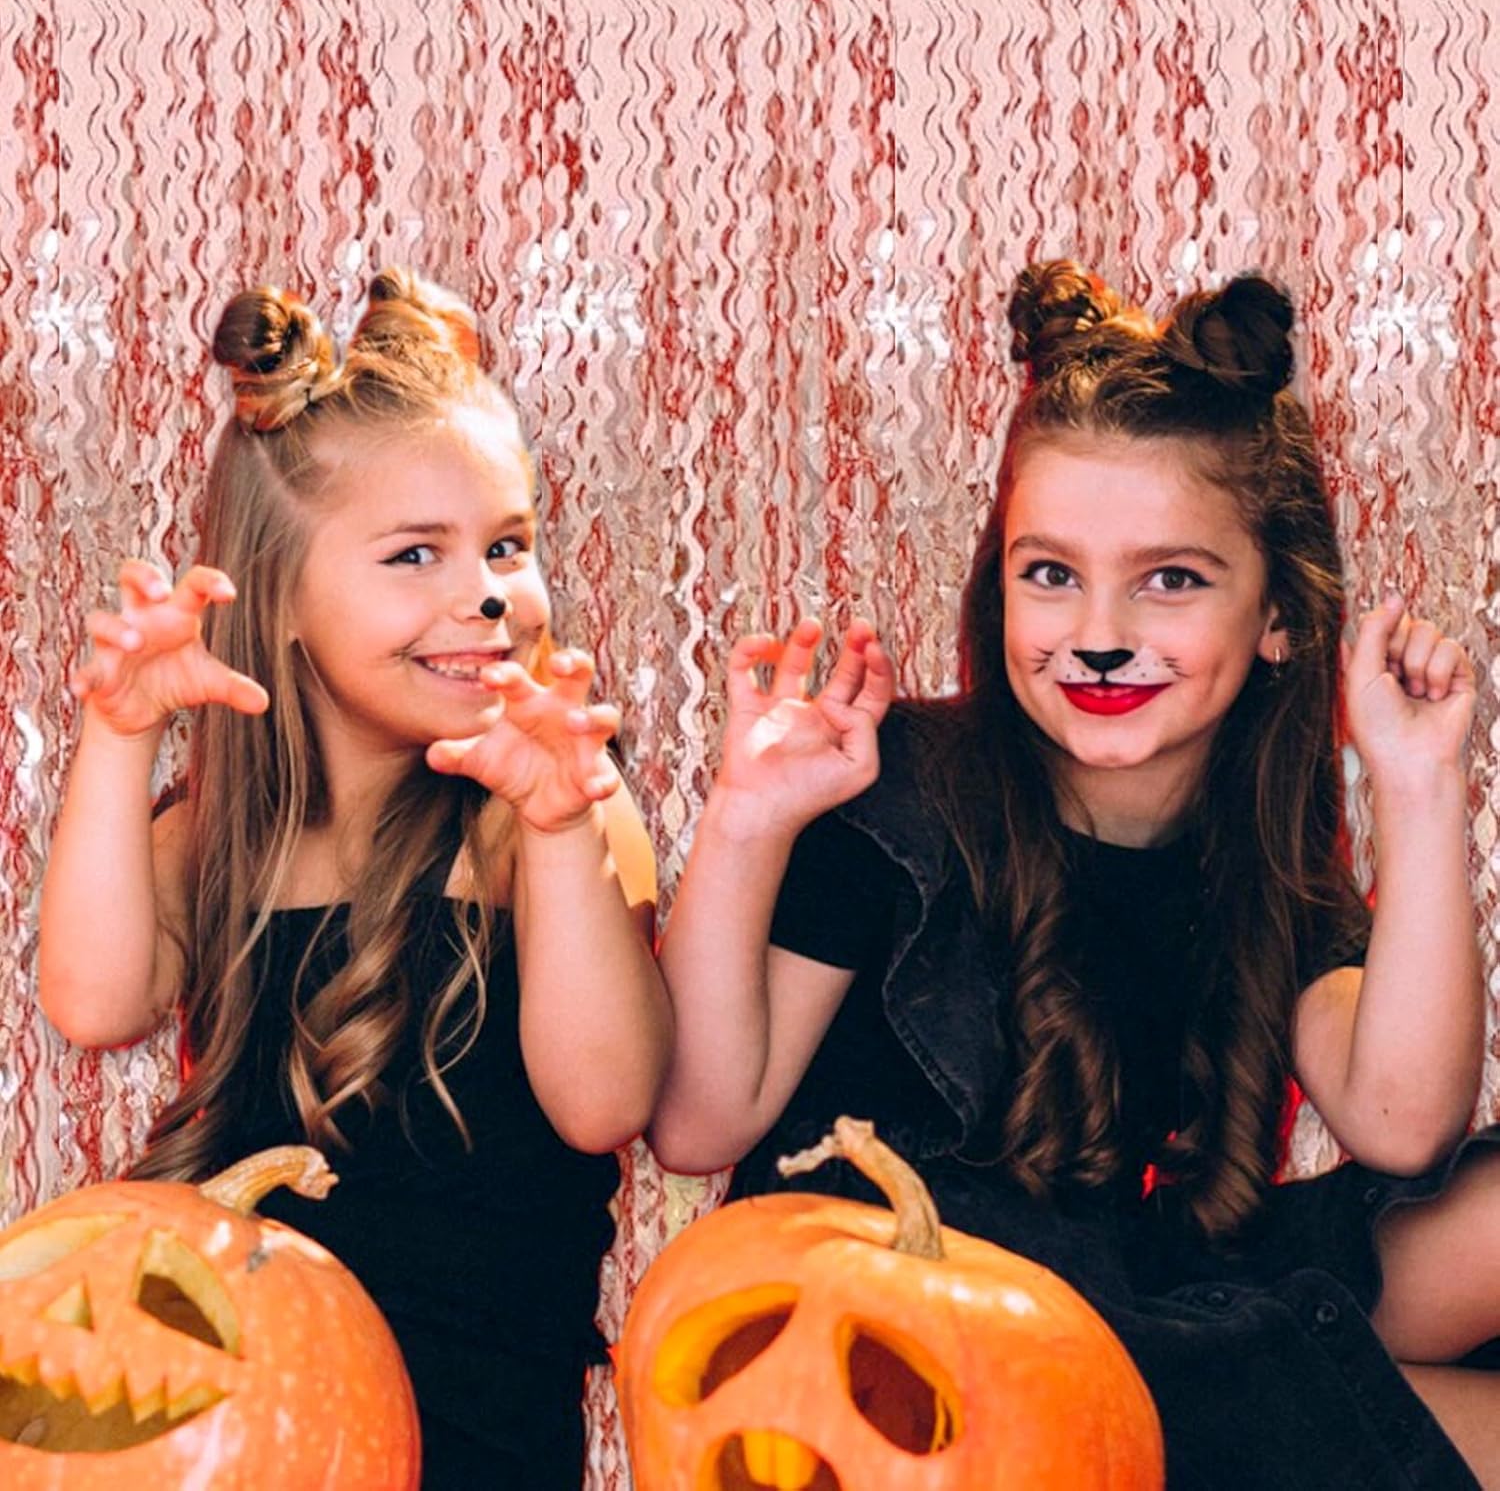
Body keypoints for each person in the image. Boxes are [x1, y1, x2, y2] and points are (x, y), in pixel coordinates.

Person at [650, 261, 1499, 1488]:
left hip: (1152, 1295)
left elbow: (1404, 1122)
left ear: (1279, 617)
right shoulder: (894, 792)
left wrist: (1419, 789)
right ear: (999, 584)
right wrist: (745, 825)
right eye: (1051, 574)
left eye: (1171, 580)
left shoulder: (1258, 850)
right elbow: (697, 1123)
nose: (1100, 635)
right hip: (927, 1344)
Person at [38, 269, 671, 1488]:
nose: (484, 593)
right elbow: (94, 1001)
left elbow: (606, 1104)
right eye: (415, 554)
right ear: (278, 598)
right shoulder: (214, 836)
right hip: (236, 1436)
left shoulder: (543, 822)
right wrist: (118, 738)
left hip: (475, 1444)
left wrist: (560, 829)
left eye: (507, 546)